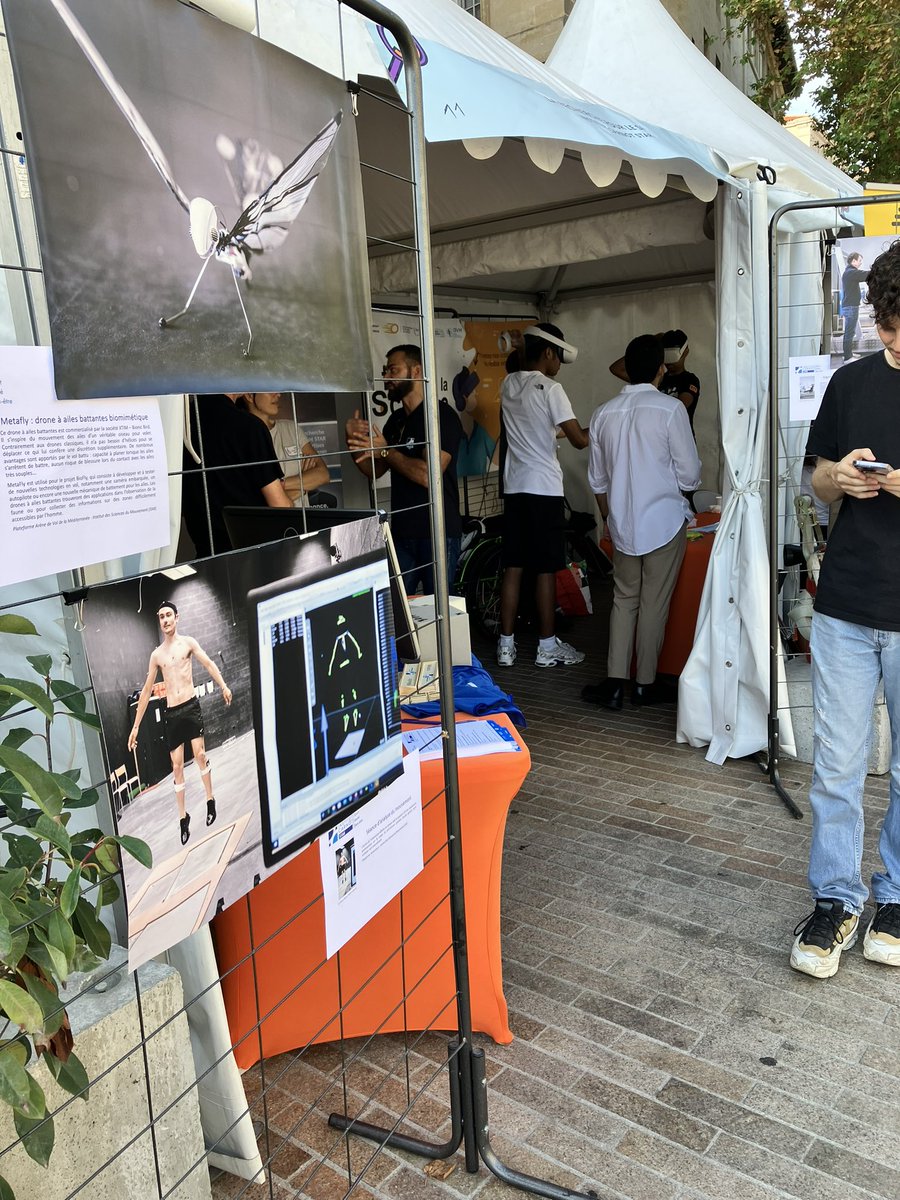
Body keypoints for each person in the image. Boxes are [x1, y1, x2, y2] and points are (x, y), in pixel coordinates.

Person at [790, 238, 900, 979]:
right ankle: (836, 898)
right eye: (887, 330)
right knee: (835, 764)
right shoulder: (850, 382)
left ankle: (895, 895)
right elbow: (816, 478)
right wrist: (843, 477)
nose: (893, 342)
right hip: (846, 604)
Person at [583, 334, 701, 709]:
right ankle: (644, 684)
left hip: (622, 524)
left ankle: (615, 682)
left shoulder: (603, 413)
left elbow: (597, 480)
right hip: (664, 521)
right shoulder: (670, 409)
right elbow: (690, 476)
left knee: (623, 600)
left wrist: (609, 518)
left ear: (626, 369)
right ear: (660, 369)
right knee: (654, 604)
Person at [496, 323, 589, 668]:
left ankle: (506, 647)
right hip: (545, 490)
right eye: (558, 357)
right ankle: (546, 647)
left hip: (515, 488)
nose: (559, 364)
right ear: (548, 352)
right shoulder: (552, 389)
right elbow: (579, 439)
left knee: (514, 567)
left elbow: (536, 428)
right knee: (546, 569)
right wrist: (603, 425)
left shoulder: (508, 384)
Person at [345, 344, 463, 594]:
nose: (386, 377)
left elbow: (428, 475)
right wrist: (353, 441)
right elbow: (375, 470)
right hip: (402, 532)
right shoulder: (396, 421)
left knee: (440, 606)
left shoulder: (440, 417)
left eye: (393, 370)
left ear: (416, 371)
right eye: (385, 371)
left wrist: (386, 451)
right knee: (396, 605)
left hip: (437, 532)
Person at [127, 601, 233, 847]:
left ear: (177, 617)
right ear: (159, 620)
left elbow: (209, 663)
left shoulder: (188, 643)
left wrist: (224, 686)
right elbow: (146, 691)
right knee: (177, 767)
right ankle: (183, 818)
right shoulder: (157, 655)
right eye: (161, 616)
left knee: (200, 755)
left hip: (190, 707)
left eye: (169, 615)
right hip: (172, 712)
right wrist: (136, 727)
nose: (165, 620)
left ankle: (210, 800)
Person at [182, 393, 292, 556]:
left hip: (205, 554)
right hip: (255, 555)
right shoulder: (249, 426)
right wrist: (289, 495)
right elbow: (280, 506)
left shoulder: (180, 425)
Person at [240, 392, 331, 506]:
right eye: (269, 389)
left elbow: (323, 475)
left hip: (303, 516)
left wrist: (280, 485)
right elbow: (262, 503)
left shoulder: (291, 428)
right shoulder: (242, 438)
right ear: (249, 395)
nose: (278, 394)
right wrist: (303, 484)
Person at [610, 329, 700, 430]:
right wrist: (652, 343)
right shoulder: (654, 377)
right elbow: (616, 369)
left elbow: (680, 407)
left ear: (685, 352)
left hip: (678, 435)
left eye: (673, 356)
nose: (670, 362)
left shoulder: (690, 380)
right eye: (666, 356)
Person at [840, 251, 869, 362]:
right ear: (853, 261)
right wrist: (878, 269)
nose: (861, 263)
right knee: (849, 333)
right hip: (851, 307)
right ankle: (847, 358)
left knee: (850, 332)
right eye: (859, 260)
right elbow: (865, 275)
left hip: (850, 306)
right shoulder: (851, 272)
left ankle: (849, 354)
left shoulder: (849, 272)